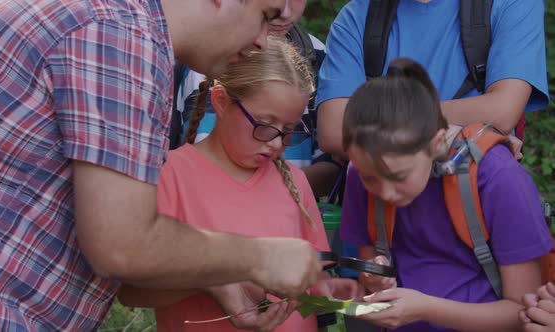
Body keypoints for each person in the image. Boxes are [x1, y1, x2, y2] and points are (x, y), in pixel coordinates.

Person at [0, 0, 327, 330]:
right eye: (264, 17)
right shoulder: (120, 38)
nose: (263, 41)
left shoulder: (105, 21)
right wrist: (259, 256)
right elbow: (121, 244)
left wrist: (217, 278)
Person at [118, 37, 364, 332]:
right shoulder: (171, 176)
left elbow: (314, 276)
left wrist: (333, 291)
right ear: (221, 101)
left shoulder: (296, 181)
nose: (276, 143)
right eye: (263, 125)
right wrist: (214, 280)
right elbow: (132, 291)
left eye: (288, 131)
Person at [339, 58, 553, 332]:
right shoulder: (361, 173)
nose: (385, 192)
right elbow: (369, 275)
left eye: (399, 176)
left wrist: (425, 310)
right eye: (371, 178)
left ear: (437, 141)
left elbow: (524, 311)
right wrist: (375, 279)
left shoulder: (498, 179)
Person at [316, 0, 550, 160]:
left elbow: (502, 111)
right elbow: (335, 131)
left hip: (476, 212)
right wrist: (464, 136)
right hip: (379, 216)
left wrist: (375, 123)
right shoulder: (357, 17)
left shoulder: (510, 4)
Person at [172, 0, 344, 198]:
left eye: (290, 130)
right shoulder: (211, 56)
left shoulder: (317, 53)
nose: (285, 12)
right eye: (263, 125)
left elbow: (332, 163)